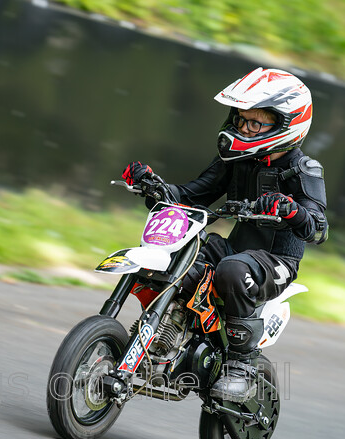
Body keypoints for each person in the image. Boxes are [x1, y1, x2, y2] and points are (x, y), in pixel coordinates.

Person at [122, 67, 329, 403]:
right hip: (234, 249)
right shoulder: (236, 159)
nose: (243, 128)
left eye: (255, 123)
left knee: (232, 270)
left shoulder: (303, 169)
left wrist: (291, 210)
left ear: (287, 125)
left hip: (276, 262)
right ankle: (162, 337)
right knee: (177, 259)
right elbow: (191, 195)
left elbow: (319, 227)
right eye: (241, 119)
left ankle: (241, 368)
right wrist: (153, 185)